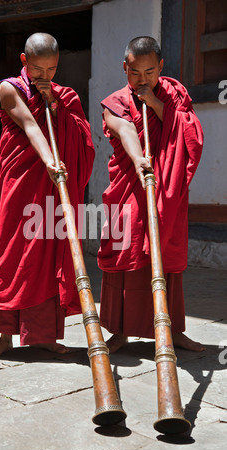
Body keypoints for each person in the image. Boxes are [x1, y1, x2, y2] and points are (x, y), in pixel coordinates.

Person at [0, 33, 95, 360]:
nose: (44, 77)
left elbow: (79, 134)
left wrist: (56, 106)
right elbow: (30, 126)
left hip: (50, 188)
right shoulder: (8, 89)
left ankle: (43, 335)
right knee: (13, 254)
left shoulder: (61, 95)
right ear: (23, 61)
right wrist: (49, 160)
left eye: (52, 69)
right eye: (37, 69)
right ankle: (4, 337)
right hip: (21, 184)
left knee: (46, 255)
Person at [97, 36, 205, 353]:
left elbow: (191, 133)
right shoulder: (114, 101)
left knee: (165, 255)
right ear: (124, 67)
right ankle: (120, 331)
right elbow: (125, 130)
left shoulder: (175, 96)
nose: (142, 80)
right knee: (126, 251)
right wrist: (138, 160)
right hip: (129, 187)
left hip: (166, 192)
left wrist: (157, 106)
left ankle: (172, 330)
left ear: (160, 66)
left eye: (149, 72)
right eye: (134, 73)